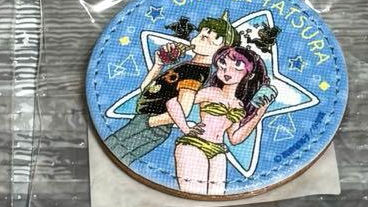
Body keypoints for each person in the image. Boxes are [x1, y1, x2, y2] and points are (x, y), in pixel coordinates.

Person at [104, 14, 239, 167]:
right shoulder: (188, 66)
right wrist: (159, 64)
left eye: (205, 38)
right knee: (115, 151)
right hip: (146, 120)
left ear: (220, 51)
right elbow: (145, 89)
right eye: (200, 34)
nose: (197, 39)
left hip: (153, 125)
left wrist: (149, 122)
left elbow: (182, 109)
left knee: (116, 151)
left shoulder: (195, 73)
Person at [166, 46, 276, 196]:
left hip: (218, 151)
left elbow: (235, 139)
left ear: (249, 75)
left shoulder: (238, 105)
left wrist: (259, 112)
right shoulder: (211, 92)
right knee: (193, 193)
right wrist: (185, 128)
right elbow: (172, 102)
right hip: (194, 145)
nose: (226, 71)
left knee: (217, 196)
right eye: (223, 63)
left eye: (237, 66)